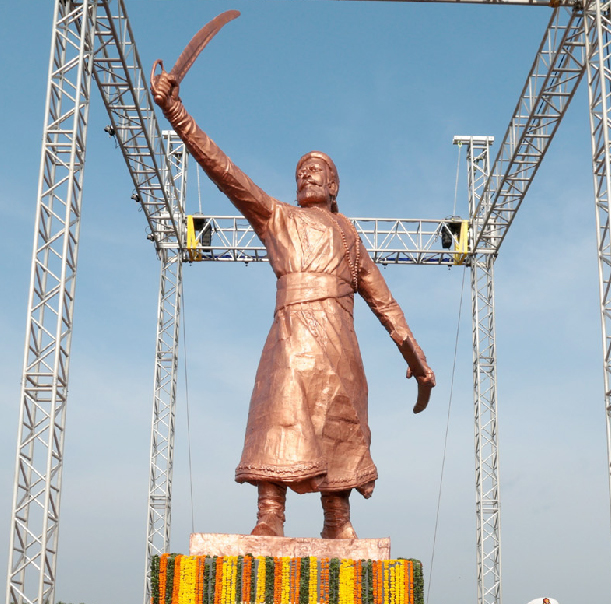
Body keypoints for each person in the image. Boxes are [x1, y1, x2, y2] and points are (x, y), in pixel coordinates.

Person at [152, 68, 435, 539]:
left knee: (339, 421)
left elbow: (385, 302)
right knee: (278, 412)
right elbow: (223, 169)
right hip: (290, 333)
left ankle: (338, 519)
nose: (307, 172)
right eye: (301, 169)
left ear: (334, 185)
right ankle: (270, 513)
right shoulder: (276, 217)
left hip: (339, 341)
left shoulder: (349, 237)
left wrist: (416, 359)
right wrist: (176, 112)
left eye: (317, 169)